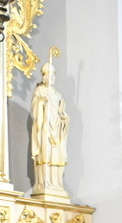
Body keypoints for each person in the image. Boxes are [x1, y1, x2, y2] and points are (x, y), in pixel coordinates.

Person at [31, 60, 69, 197]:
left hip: (56, 131)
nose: (52, 78)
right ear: (44, 77)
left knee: (57, 156)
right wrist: (42, 101)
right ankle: (44, 183)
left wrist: (64, 118)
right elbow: (35, 110)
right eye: (49, 76)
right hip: (45, 129)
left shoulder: (58, 95)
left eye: (54, 76)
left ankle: (57, 184)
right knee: (45, 156)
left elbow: (61, 112)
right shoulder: (40, 91)